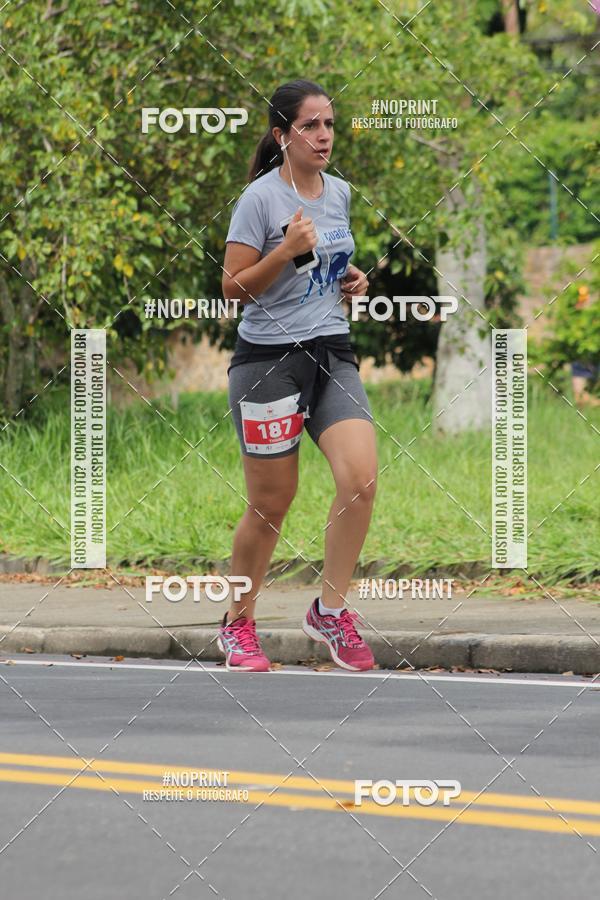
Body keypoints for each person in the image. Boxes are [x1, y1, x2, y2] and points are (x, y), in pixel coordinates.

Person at [217, 79, 377, 672]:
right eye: (311, 126)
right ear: (283, 136)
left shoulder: (338, 193)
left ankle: (329, 612)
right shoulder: (259, 199)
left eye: (330, 124)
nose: (325, 135)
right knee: (271, 503)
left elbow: (328, 258)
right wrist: (282, 252)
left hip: (331, 351)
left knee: (360, 480)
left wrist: (351, 276)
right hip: (268, 366)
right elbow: (232, 287)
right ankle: (237, 624)